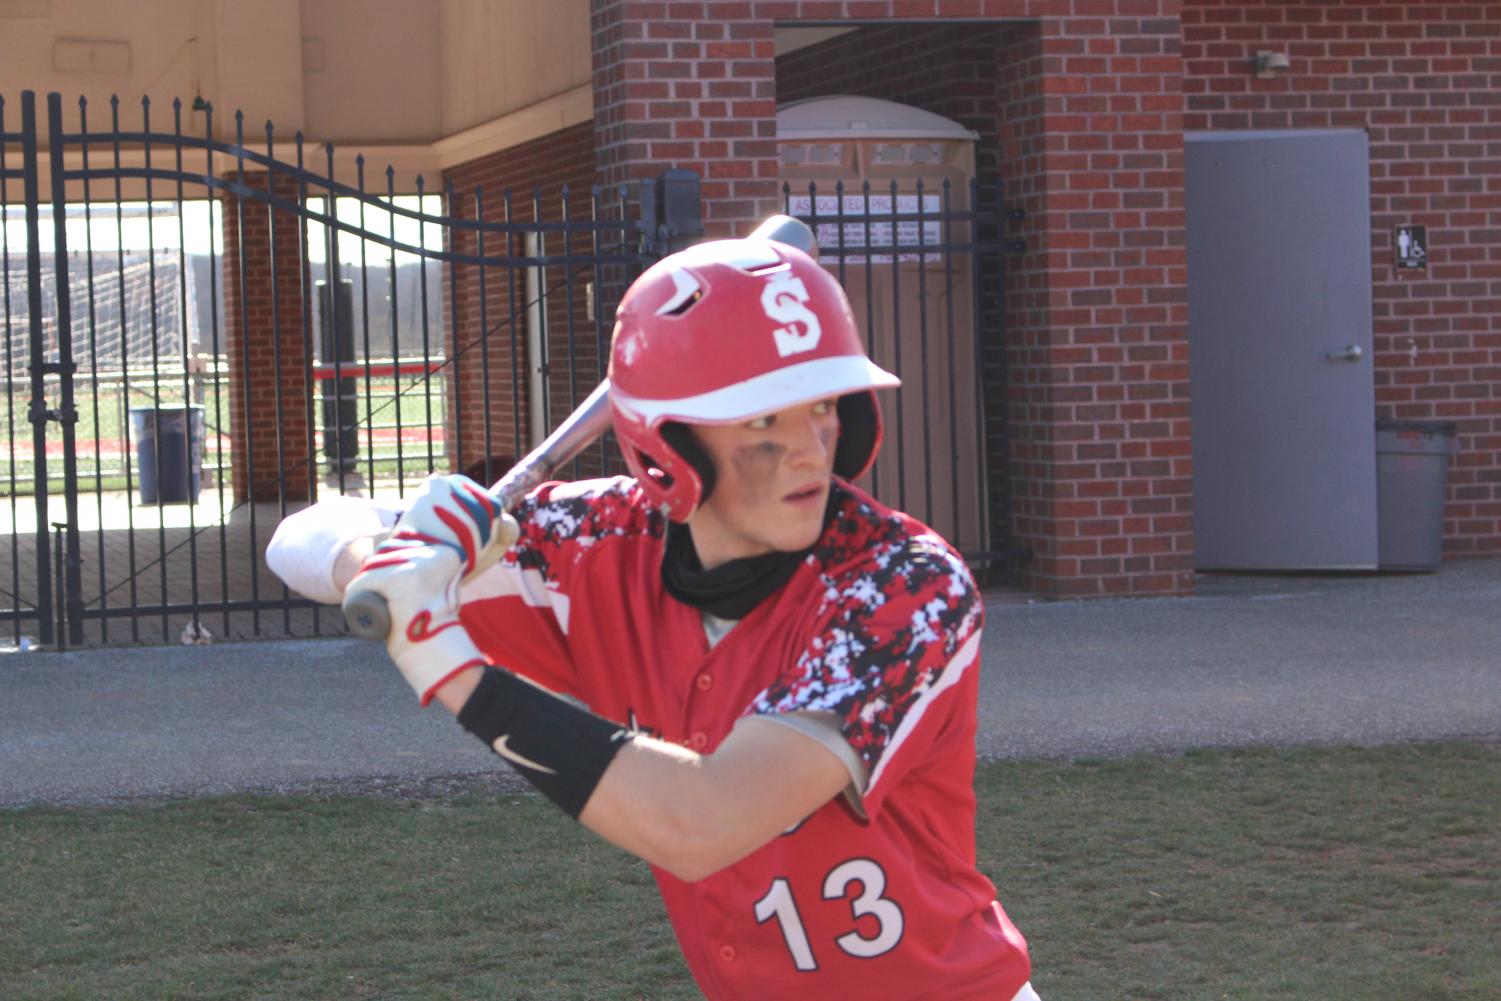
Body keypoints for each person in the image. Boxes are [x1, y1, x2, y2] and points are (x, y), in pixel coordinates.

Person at [268, 237, 1036, 1000]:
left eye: (824, 406)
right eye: (763, 419)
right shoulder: (595, 542)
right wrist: (386, 554)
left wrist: (447, 663)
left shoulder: (901, 586)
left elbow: (704, 820)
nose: (809, 450)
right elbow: (297, 535)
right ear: (667, 446)